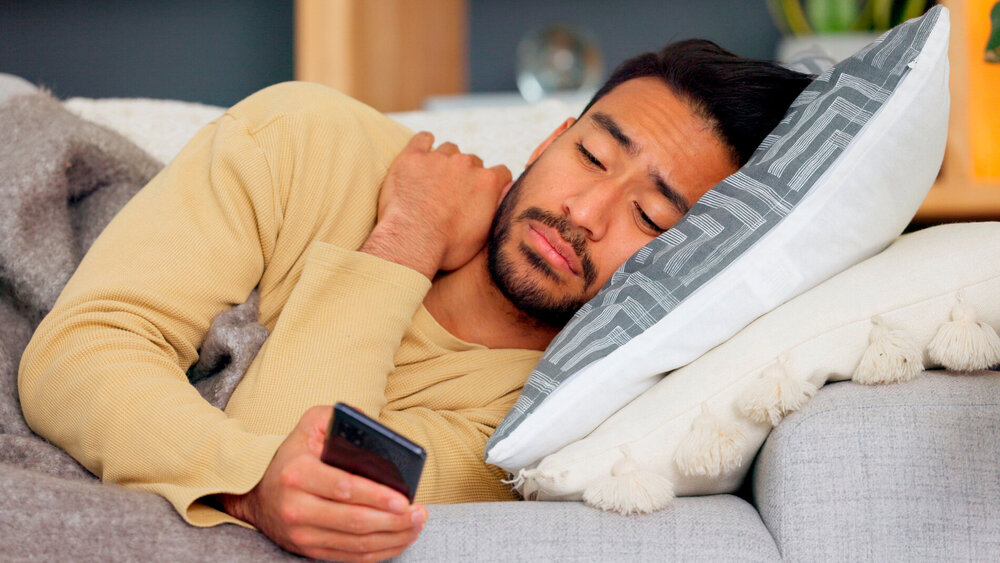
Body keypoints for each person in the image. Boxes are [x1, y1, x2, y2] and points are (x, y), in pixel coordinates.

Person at [19, 40, 812, 562]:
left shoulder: (528, 435)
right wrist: (249, 475)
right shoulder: (308, 138)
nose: (584, 211)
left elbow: (298, 486)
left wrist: (405, 239)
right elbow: (79, 347)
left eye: (650, 218)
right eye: (593, 154)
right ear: (548, 139)